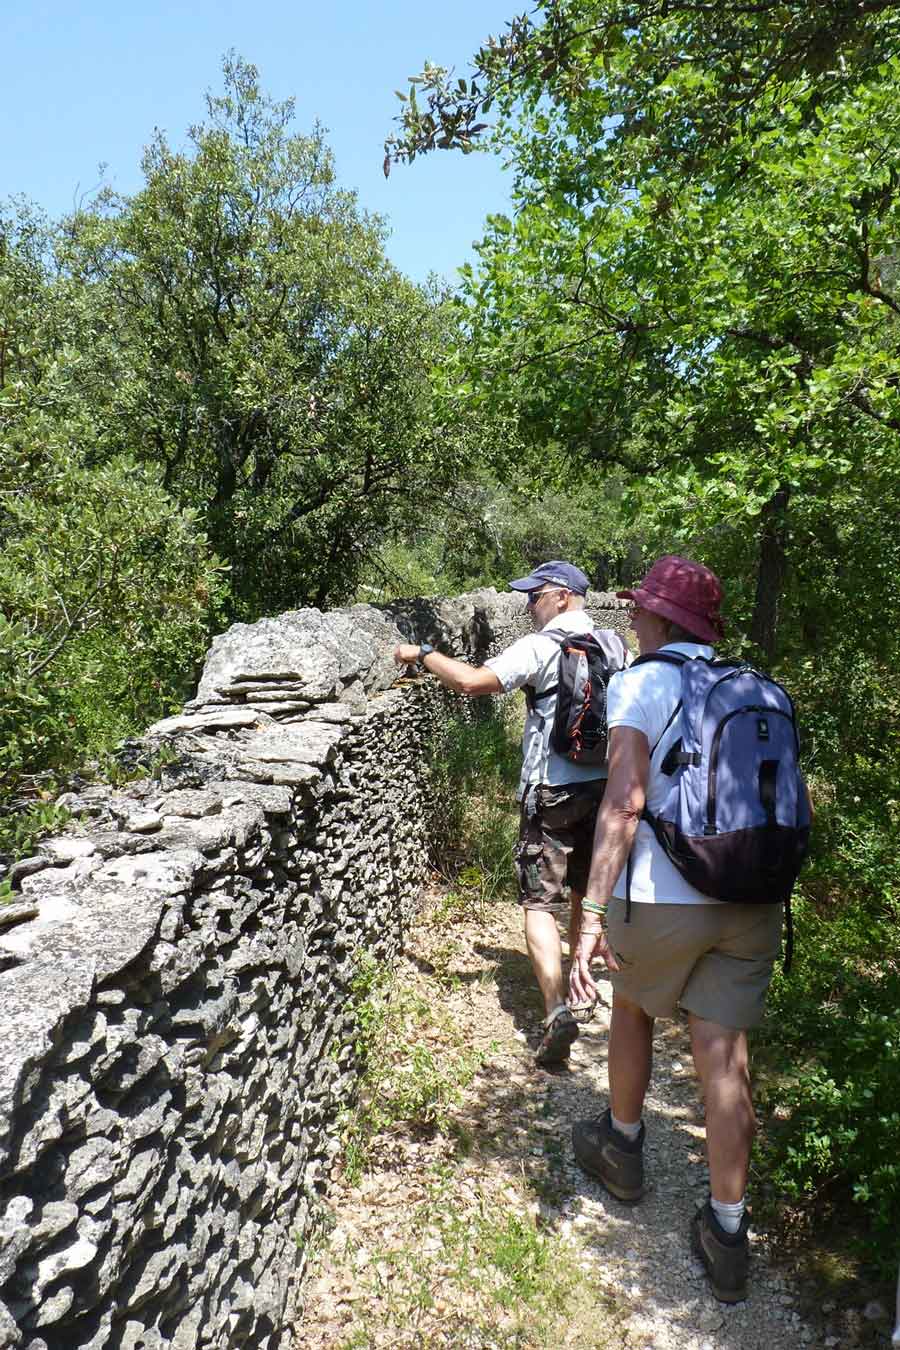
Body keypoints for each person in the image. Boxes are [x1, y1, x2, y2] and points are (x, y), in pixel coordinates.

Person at [568, 555, 783, 1304]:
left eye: (641, 611)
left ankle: (622, 1149)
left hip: (664, 893)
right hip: (753, 898)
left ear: (660, 621)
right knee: (723, 1057)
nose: (634, 619)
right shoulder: (756, 686)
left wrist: (592, 912)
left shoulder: (644, 681)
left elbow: (624, 803)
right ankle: (727, 1232)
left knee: (631, 1006)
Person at [392, 561, 629, 1067]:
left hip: (551, 790)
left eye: (536, 595)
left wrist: (424, 653)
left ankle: (557, 1010)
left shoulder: (541, 646)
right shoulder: (616, 646)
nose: (528, 605)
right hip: (603, 786)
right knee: (588, 890)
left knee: (539, 901)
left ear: (562, 596)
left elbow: (475, 683)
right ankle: (582, 982)